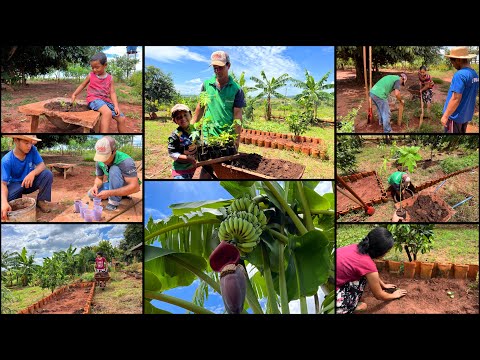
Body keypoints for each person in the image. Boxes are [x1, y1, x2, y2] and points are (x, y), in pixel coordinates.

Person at [192, 50, 246, 178]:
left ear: (228, 66)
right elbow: (200, 108)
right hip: (208, 135)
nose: (217, 71)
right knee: (206, 171)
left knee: (225, 172)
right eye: (215, 68)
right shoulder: (206, 85)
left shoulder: (236, 89)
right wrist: (190, 129)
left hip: (225, 138)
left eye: (220, 67)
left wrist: (236, 140)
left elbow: (237, 116)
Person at [336, 227, 407, 314]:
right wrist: (394, 295)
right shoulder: (368, 265)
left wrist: (383, 285)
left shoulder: (357, 247)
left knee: (363, 276)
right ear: (381, 252)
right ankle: (346, 308)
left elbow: (368, 271)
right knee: (363, 306)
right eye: (387, 251)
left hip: (332, 278)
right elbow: (379, 295)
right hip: (334, 294)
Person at [71, 52, 127, 133]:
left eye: (97, 67)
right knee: (107, 113)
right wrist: (74, 94)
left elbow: (112, 92)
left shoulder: (110, 78)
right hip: (93, 100)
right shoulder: (91, 75)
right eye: (92, 67)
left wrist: (116, 106)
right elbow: (82, 85)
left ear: (105, 65)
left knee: (122, 119)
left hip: (105, 101)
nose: (94, 70)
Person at [1, 135, 53, 220]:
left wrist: (32, 173)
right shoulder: (6, 160)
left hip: (30, 182)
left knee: (47, 174)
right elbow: (3, 184)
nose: (29, 146)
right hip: (15, 186)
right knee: (6, 202)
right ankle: (15, 202)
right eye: (26, 143)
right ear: (16, 141)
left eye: (31, 143)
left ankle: (41, 201)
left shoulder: (32, 150)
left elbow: (42, 165)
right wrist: (3, 202)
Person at [88, 136, 140, 211]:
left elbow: (135, 187)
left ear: (114, 151)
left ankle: (114, 201)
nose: (103, 160)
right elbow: (99, 178)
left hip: (126, 185)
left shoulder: (126, 161)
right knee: (91, 194)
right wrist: (95, 186)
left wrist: (109, 193)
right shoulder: (99, 161)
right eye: (101, 157)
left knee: (114, 169)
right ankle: (121, 195)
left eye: (105, 156)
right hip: (113, 183)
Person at [441, 47, 479, 133]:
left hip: (455, 116)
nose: (453, 65)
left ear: (458, 60)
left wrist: (446, 116)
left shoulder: (460, 75)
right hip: (465, 115)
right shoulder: (474, 74)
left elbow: (455, 98)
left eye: (452, 62)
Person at [168, 104, 198, 179]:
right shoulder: (175, 135)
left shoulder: (196, 130)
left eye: (185, 115)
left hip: (194, 167)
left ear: (190, 115)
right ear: (175, 121)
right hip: (180, 170)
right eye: (179, 117)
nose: (183, 118)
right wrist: (188, 158)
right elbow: (172, 153)